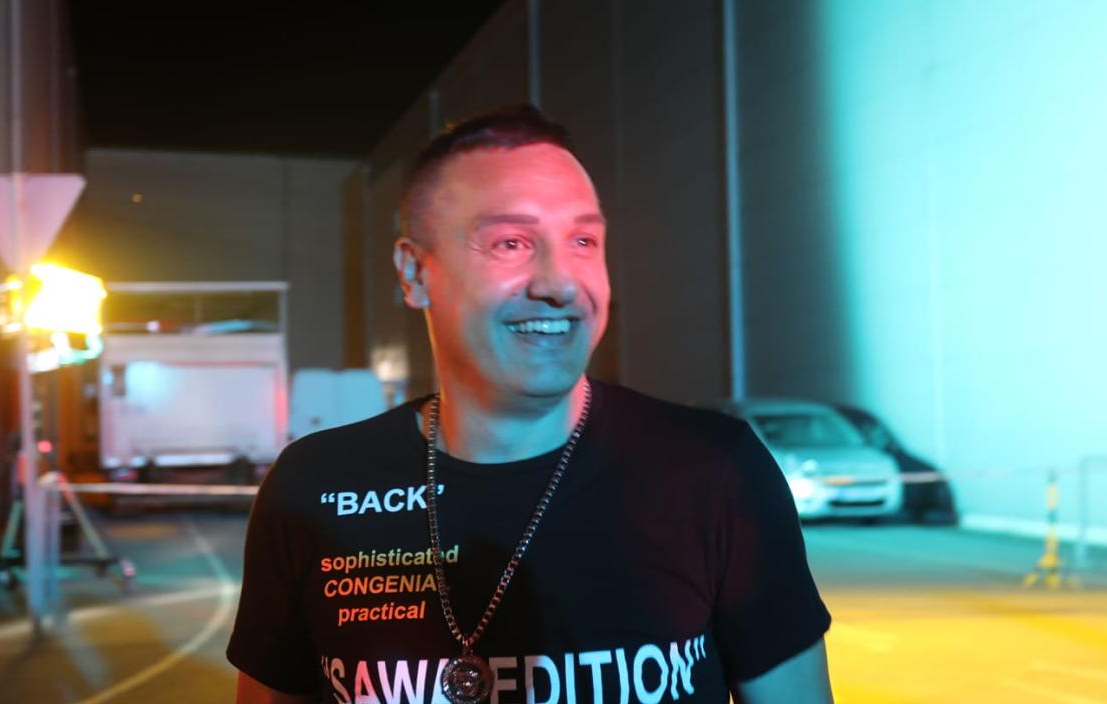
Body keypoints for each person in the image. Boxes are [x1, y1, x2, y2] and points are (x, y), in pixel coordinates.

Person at [229, 105, 833, 704]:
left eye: (583, 240)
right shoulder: (314, 488)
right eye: (511, 242)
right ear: (414, 273)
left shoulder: (715, 471)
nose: (560, 283)